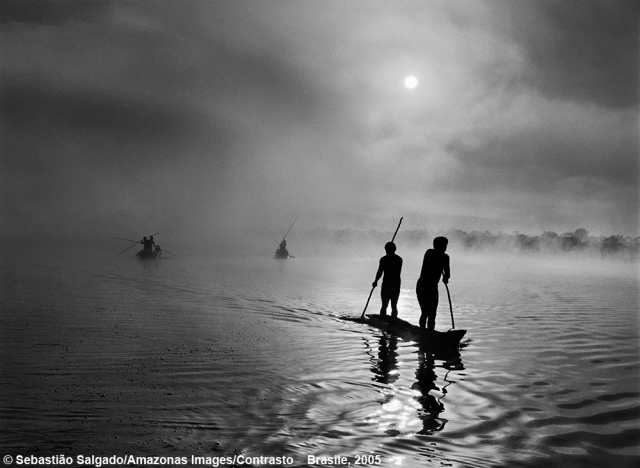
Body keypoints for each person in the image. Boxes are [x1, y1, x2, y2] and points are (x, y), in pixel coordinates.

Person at [416, 236, 450, 331]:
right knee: (425, 312)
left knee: (433, 313)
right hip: (423, 286)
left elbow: (447, 273)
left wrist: (446, 278)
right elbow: (435, 260)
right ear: (436, 245)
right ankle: (422, 331)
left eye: (446, 245)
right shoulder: (430, 252)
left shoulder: (445, 257)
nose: (445, 247)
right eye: (443, 245)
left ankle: (430, 332)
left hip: (433, 288)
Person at [372, 242, 403, 317]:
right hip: (395, 285)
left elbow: (380, 271)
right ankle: (392, 320)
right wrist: (376, 280)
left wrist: (376, 281)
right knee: (392, 305)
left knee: (386, 305)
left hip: (388, 285)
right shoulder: (398, 259)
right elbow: (380, 271)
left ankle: (388, 320)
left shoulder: (384, 259)